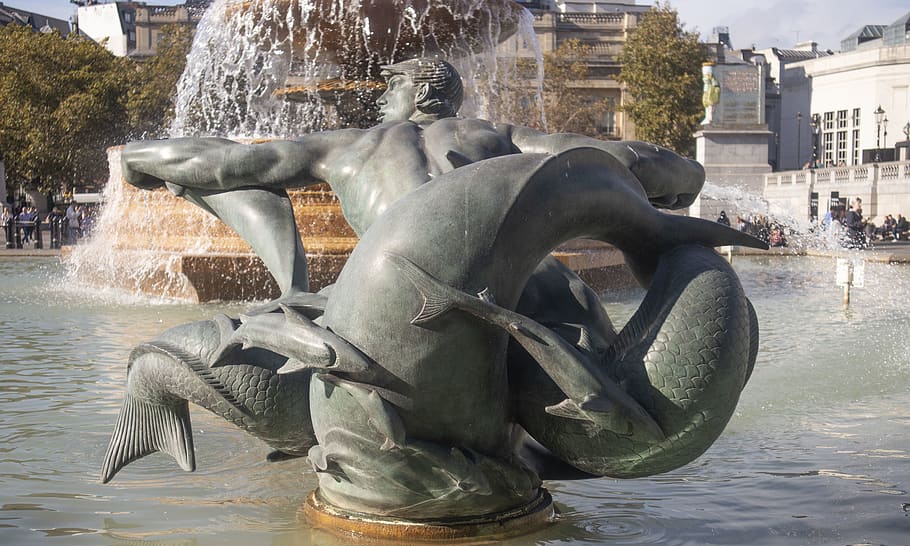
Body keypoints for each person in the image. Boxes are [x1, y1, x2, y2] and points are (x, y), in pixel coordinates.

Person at [121, 58, 707, 301]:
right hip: (504, 288)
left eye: (392, 84)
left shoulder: (345, 146)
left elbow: (224, 164)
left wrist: (136, 157)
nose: (380, 95)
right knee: (569, 298)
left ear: (423, 91)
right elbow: (621, 158)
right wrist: (685, 177)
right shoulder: (499, 135)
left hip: (385, 291)